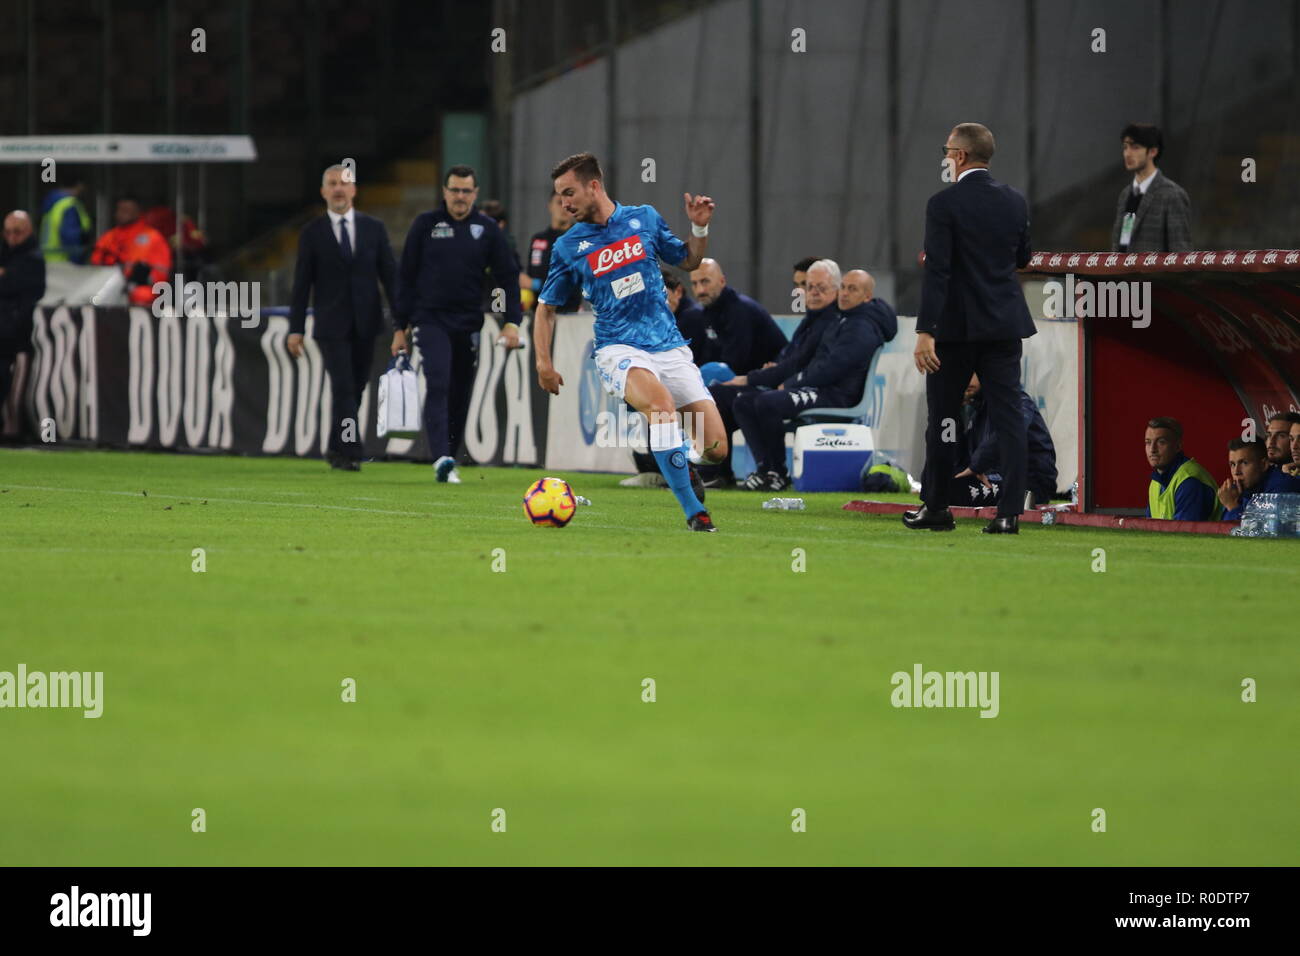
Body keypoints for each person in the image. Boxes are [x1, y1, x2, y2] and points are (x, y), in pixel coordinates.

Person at [533, 151, 725, 531]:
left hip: (667, 344)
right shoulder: (568, 247)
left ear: (594, 185)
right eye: (559, 196)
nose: (564, 203)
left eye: (569, 193)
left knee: (716, 449)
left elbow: (687, 261)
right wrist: (543, 362)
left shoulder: (644, 218)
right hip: (618, 347)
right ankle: (695, 513)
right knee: (660, 405)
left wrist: (699, 229)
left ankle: (681, 461)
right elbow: (546, 309)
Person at [905, 122, 1035, 534]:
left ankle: (938, 507)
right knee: (1009, 417)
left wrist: (926, 330)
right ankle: (1010, 514)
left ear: (959, 156)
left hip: (956, 331)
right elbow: (1024, 257)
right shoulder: (1015, 201)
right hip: (1004, 326)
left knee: (943, 418)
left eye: (946, 151)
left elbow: (938, 272)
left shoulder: (943, 204)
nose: (945, 158)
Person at [393, 165, 522, 483]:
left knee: (460, 391)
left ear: (475, 194)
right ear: (444, 192)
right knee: (438, 382)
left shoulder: (487, 229)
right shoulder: (425, 225)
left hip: (468, 323)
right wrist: (400, 326)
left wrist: (512, 323)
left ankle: (449, 457)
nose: (460, 197)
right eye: (454, 190)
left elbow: (506, 277)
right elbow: (406, 277)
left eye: (466, 191)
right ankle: (440, 456)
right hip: (430, 318)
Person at [733, 267, 896, 491]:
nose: (845, 293)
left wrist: (791, 384)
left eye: (853, 289)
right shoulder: (844, 319)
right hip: (819, 388)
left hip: (836, 395)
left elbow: (832, 369)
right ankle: (766, 469)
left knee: (768, 402)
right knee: (744, 401)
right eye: (844, 287)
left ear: (867, 296)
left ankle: (777, 473)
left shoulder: (862, 326)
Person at [288, 165, 398, 471]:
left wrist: (402, 322)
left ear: (354, 190)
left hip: (367, 322)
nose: (338, 189)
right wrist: (295, 329)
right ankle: (351, 449)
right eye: (332, 184)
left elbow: (390, 277)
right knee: (344, 387)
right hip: (331, 325)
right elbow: (301, 285)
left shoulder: (373, 228)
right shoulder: (312, 233)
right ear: (323, 191)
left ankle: (336, 445)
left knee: (357, 387)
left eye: (344, 184)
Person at [705, 259, 844, 488]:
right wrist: (774, 368)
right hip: (788, 381)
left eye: (821, 288)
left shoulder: (829, 321)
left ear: (836, 290)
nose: (813, 293)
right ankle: (743, 470)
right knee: (728, 399)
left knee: (751, 400)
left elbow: (801, 363)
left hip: (814, 389)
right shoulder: (812, 318)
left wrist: (754, 377)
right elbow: (790, 356)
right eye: (809, 287)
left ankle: (774, 470)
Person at [952, 374, 1057, 509]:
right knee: (938, 485)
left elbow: (1006, 433)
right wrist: (954, 413)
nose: (967, 380)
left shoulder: (1018, 401)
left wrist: (977, 465)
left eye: (974, 372)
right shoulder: (978, 414)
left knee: (952, 492)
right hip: (995, 479)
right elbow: (960, 462)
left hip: (1029, 484)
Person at [690, 258, 786, 379]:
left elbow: (736, 363)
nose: (700, 290)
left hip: (772, 378)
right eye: (694, 283)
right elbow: (711, 355)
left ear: (722, 281)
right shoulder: (709, 310)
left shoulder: (739, 310)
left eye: (705, 282)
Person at [1110, 123, 1193, 254]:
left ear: (1153, 151)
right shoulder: (1125, 195)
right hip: (1122, 273)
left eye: (1135, 147)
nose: (1127, 154)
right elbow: (1120, 244)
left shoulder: (1172, 195)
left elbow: (1181, 254)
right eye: (1125, 147)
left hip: (1154, 274)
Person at [0, 211, 46, 416]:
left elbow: (17, 287)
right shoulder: (6, 254)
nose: (11, 238)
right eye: (7, 232)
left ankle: (13, 429)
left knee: (12, 385)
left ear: (28, 231)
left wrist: (6, 278)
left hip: (17, 334)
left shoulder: (33, 259)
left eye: (17, 232)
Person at [89, 197, 172, 306]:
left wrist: (145, 276)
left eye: (127, 210)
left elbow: (162, 271)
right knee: (91, 296)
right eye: (120, 210)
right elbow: (95, 262)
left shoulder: (152, 237)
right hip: (108, 284)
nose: (122, 214)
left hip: (139, 286)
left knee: (142, 294)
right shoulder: (109, 237)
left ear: (137, 212)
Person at [1143, 417, 1220, 520]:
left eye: (1161, 442)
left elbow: (1186, 535)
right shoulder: (1155, 482)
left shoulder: (1190, 480)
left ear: (1178, 446)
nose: (1152, 449)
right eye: (1148, 442)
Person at [1218, 438, 1300, 521]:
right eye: (1233, 464)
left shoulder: (1282, 487)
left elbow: (1261, 531)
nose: (1236, 472)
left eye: (1244, 463)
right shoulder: (1237, 492)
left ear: (1263, 465)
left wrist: (1232, 506)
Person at [526, 192, 582, 313]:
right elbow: (531, 273)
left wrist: (536, 284)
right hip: (538, 313)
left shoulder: (580, 239)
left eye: (569, 203)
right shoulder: (538, 239)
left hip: (569, 313)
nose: (564, 207)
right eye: (559, 202)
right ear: (550, 206)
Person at [39, 178, 92, 264]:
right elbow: (71, 238)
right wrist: (78, 263)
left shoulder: (52, 204)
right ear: (79, 186)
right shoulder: (68, 206)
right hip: (65, 264)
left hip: (49, 261)